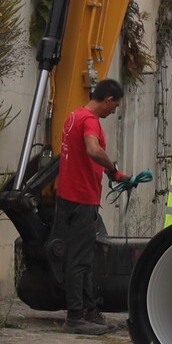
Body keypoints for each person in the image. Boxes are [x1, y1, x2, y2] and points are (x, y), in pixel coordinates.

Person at [52, 78, 126, 330]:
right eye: (114, 106)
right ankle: (75, 317)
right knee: (79, 260)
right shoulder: (90, 121)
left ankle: (90, 311)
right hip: (82, 199)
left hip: (67, 197)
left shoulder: (74, 116)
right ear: (107, 100)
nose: (113, 111)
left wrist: (112, 174)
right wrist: (113, 166)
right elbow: (93, 150)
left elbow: (85, 158)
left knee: (81, 256)